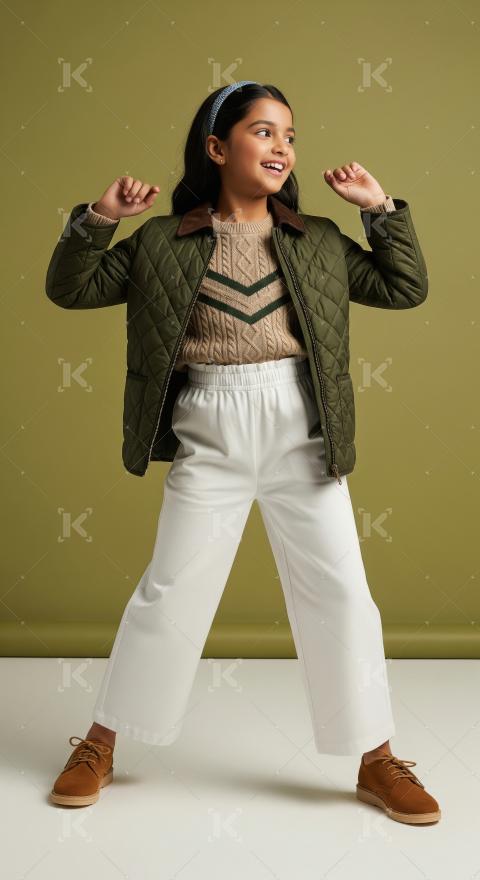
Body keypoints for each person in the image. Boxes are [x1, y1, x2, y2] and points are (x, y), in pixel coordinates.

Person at [46, 81, 440, 824]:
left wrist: (378, 210)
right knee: (171, 588)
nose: (282, 147)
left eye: (289, 135)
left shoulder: (318, 238)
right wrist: (101, 218)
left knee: (342, 593)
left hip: (303, 427)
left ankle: (375, 757)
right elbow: (72, 288)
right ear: (217, 147)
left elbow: (404, 287)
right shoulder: (162, 241)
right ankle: (100, 742)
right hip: (211, 424)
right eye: (263, 131)